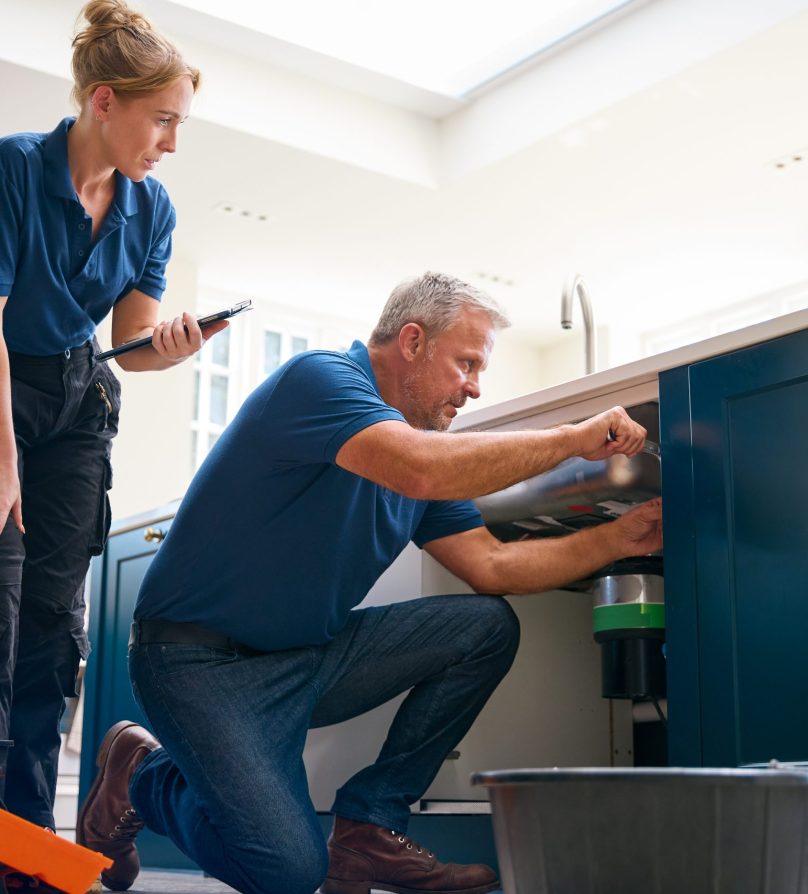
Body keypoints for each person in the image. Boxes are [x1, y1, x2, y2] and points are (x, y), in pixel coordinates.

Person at [77, 272, 663, 894]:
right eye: (466, 363)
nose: (474, 386)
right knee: (288, 872)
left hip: (306, 661)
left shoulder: (423, 449)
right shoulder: (320, 380)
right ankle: (142, 772)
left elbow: (492, 566)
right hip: (194, 663)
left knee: (484, 627)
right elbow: (417, 470)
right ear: (412, 341)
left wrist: (617, 540)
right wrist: (572, 441)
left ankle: (369, 829)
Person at [0, 0, 224, 876]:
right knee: (3, 617)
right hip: (7, 396)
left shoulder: (151, 207)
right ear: (103, 101)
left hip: (76, 407)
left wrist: (173, 347)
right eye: (162, 118)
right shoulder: (16, 168)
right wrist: (4, 458)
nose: (170, 141)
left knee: (54, 636)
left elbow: (131, 346)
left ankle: (22, 852)